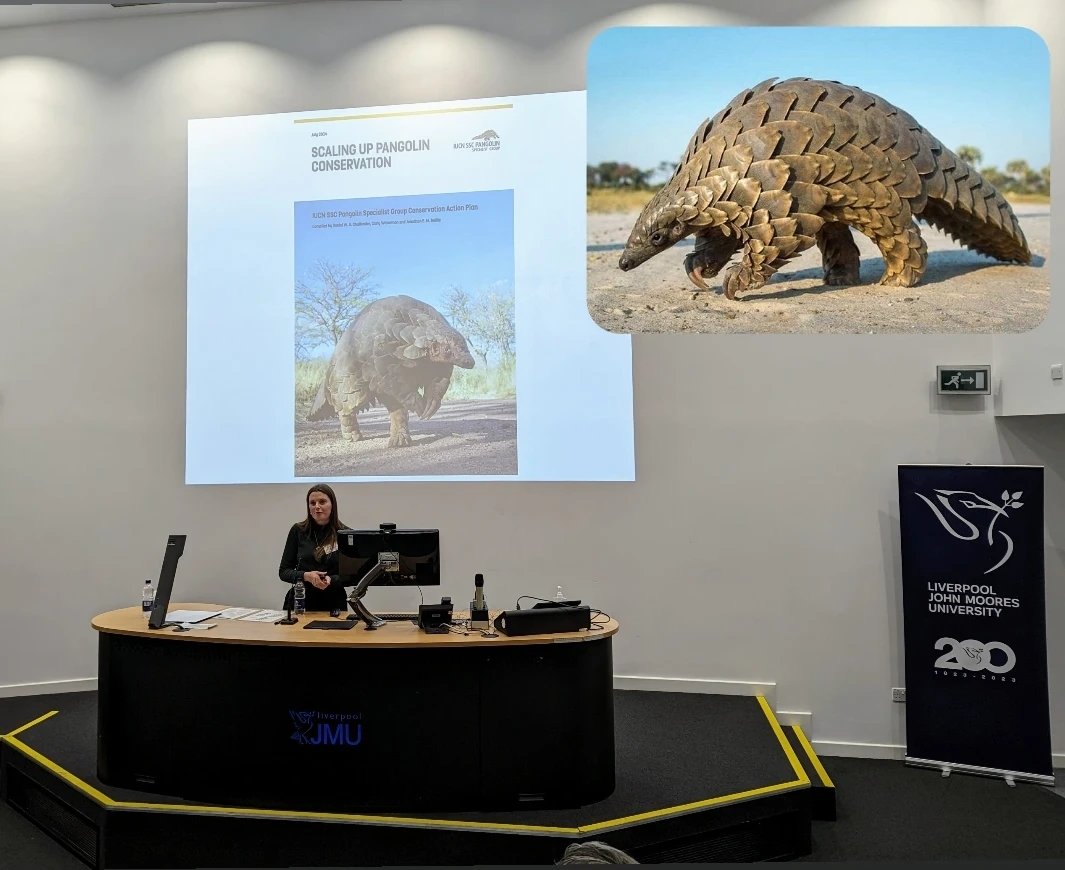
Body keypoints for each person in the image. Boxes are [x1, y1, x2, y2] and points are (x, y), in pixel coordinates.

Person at [278, 483, 349, 613]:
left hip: (334, 602)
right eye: (312, 503)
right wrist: (306, 576)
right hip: (300, 601)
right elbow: (284, 572)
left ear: (332, 504)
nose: (317, 507)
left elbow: (354, 575)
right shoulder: (297, 531)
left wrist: (332, 579)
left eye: (322, 502)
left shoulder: (345, 534)